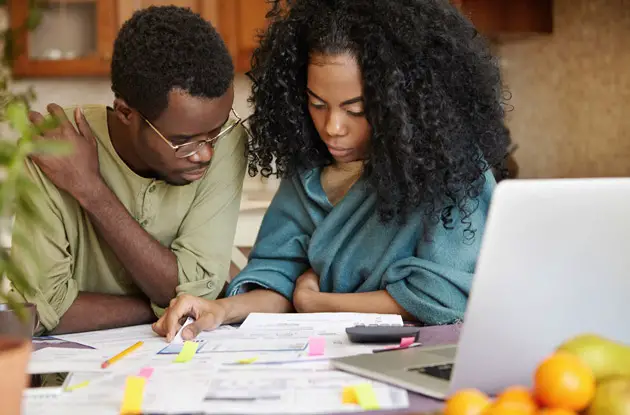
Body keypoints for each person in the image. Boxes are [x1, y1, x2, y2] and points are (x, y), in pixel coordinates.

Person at [153, 0, 512, 341]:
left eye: (355, 109)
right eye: (317, 104)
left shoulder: (449, 170)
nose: (333, 127)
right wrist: (219, 310)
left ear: (402, 103)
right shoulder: (309, 174)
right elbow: (278, 279)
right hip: (324, 361)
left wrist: (319, 303)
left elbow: (446, 296)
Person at [8, 5, 248, 335]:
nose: (205, 153)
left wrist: (91, 191)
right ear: (125, 114)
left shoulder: (229, 142)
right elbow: (41, 311)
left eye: (215, 132)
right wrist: (168, 302)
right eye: (183, 141)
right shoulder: (57, 146)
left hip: (188, 365)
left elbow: (201, 294)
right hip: (78, 379)